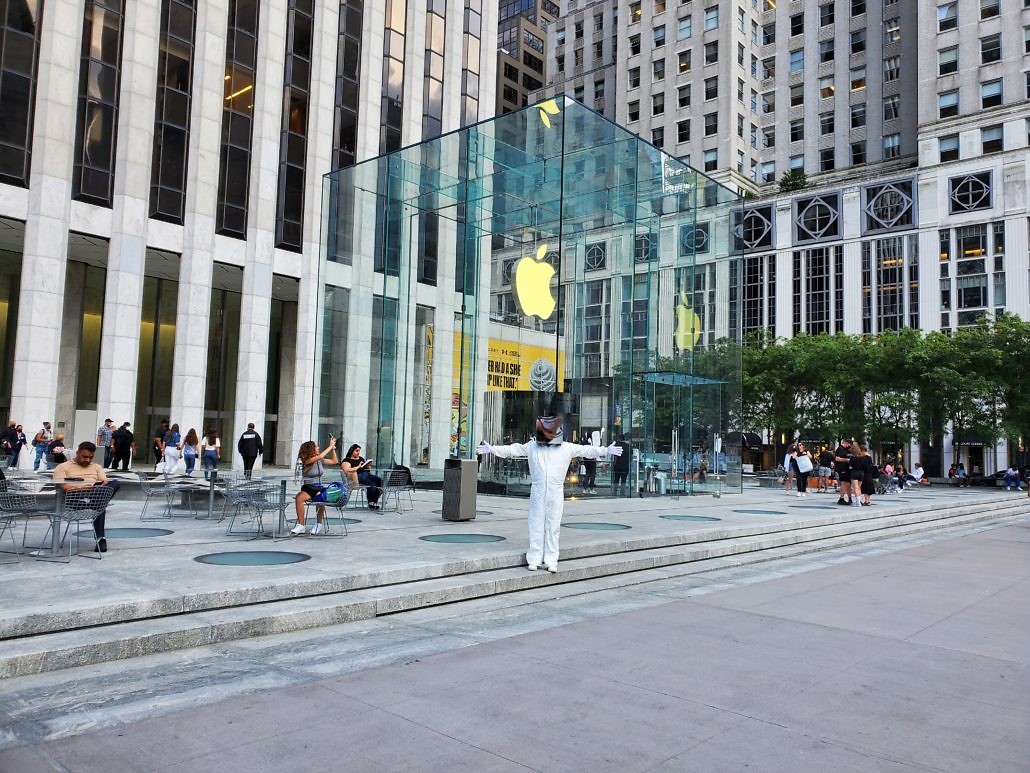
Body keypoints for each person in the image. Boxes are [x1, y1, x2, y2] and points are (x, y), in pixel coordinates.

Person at [476, 415, 623, 573]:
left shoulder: (566, 448)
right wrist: (493, 449)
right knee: (536, 524)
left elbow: (586, 449)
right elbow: (514, 449)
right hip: (538, 490)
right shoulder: (533, 446)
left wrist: (605, 450)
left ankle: (551, 560)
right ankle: (534, 558)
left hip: (555, 491)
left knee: (553, 526)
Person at [53, 441, 122, 553]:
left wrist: (100, 485)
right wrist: (82, 488)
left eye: (91, 457)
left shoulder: (96, 467)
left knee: (115, 483)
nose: (88, 460)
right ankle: (100, 539)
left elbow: (104, 481)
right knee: (101, 504)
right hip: (75, 497)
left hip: (94, 494)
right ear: (77, 453)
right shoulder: (63, 467)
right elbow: (64, 487)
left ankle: (97, 500)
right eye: (84, 457)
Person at [292, 436, 338, 535]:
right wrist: (330, 446)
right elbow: (321, 456)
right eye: (316, 447)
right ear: (310, 450)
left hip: (318, 486)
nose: (318, 448)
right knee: (299, 498)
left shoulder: (319, 460)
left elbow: (334, 461)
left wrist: (333, 449)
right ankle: (301, 525)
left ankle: (318, 524)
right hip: (308, 488)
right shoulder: (306, 461)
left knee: (321, 498)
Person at [341, 443, 383, 510]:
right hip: (356, 477)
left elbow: (367, 470)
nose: (358, 453)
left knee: (378, 481)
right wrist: (358, 466)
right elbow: (346, 470)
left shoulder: (361, 459)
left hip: (366, 474)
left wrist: (368, 465)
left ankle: (373, 501)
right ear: (352, 451)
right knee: (372, 482)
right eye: (356, 451)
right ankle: (371, 503)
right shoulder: (347, 460)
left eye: (359, 451)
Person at [834, 438, 853, 505]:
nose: (849, 446)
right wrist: (847, 460)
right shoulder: (840, 449)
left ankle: (849, 498)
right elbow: (837, 458)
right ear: (845, 443)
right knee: (844, 483)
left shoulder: (846, 450)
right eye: (848, 444)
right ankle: (841, 498)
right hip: (842, 469)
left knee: (848, 483)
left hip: (847, 469)